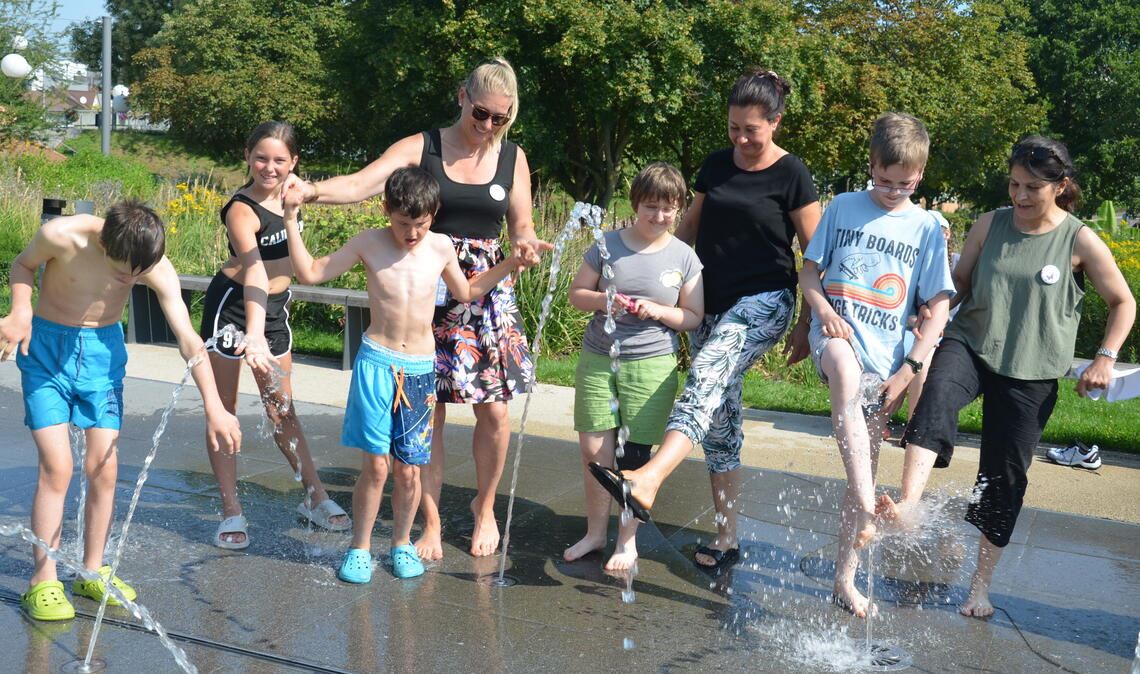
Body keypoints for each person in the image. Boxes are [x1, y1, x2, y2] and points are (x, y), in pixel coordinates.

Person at [282, 58, 545, 558]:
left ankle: (484, 507)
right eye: (482, 113)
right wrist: (310, 192)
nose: (488, 126)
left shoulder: (513, 158)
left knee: (496, 411)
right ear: (462, 96)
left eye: (501, 119)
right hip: (424, 279)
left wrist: (525, 247)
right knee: (431, 415)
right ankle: (429, 521)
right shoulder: (420, 146)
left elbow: (522, 223)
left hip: (483, 291)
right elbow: (364, 183)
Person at [877, 136, 1136, 618]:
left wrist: (1105, 356)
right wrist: (929, 314)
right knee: (936, 396)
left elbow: (1125, 302)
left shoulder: (1079, 239)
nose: (1019, 195)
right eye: (1014, 183)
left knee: (1005, 476)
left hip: (1032, 373)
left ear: (1060, 186)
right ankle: (909, 505)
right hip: (972, 343)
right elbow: (959, 286)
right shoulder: (990, 223)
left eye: (1032, 187)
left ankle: (980, 588)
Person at [589, 69, 821, 572]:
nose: (740, 138)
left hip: (765, 301)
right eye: (734, 127)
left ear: (775, 122)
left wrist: (806, 322)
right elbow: (687, 234)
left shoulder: (792, 174)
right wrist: (648, 275)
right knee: (719, 419)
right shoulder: (716, 166)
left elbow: (814, 254)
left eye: (751, 130)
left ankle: (646, 481)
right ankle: (726, 537)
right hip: (708, 306)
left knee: (707, 373)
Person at [0, 201, 242, 621]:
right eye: (123, 272)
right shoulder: (64, 235)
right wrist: (21, 310)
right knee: (57, 467)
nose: (131, 279)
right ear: (103, 242)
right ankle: (43, 580)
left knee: (104, 469)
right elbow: (22, 267)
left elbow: (188, 338)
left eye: (138, 273)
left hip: (102, 358)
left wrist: (215, 407)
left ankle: (91, 570)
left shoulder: (151, 263)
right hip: (45, 355)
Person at [799, 112, 955, 617]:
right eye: (882, 181)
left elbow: (938, 309)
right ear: (871, 165)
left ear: (920, 177)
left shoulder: (928, 227)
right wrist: (822, 313)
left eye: (902, 184)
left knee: (861, 466)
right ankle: (871, 507)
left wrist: (909, 367)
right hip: (837, 339)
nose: (890, 191)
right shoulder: (843, 207)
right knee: (843, 368)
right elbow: (809, 274)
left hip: (886, 362)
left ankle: (845, 577)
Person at [200, 122, 349, 550]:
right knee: (224, 412)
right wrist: (252, 334)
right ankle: (231, 510)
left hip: (275, 311)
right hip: (233, 310)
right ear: (247, 155)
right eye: (261, 158)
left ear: (294, 162)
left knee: (281, 408)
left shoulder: (292, 194)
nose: (270, 167)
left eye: (280, 160)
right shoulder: (241, 210)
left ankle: (314, 496)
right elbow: (255, 273)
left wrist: (300, 199)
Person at [564, 163, 704, 571]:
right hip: (597, 358)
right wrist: (605, 300)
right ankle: (594, 533)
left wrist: (660, 310)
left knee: (635, 456)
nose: (658, 216)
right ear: (635, 205)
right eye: (650, 207)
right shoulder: (607, 245)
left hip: (652, 366)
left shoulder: (684, 257)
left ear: (678, 209)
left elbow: (692, 315)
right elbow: (577, 294)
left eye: (667, 208)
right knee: (594, 449)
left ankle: (627, 541)